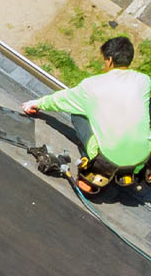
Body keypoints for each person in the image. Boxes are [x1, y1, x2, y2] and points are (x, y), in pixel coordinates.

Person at [22, 36, 151, 194]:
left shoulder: (91, 86)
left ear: (109, 60)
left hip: (108, 160)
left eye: (104, 61)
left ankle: (94, 168)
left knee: (78, 114)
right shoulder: (144, 81)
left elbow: (62, 100)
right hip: (140, 159)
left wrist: (37, 103)